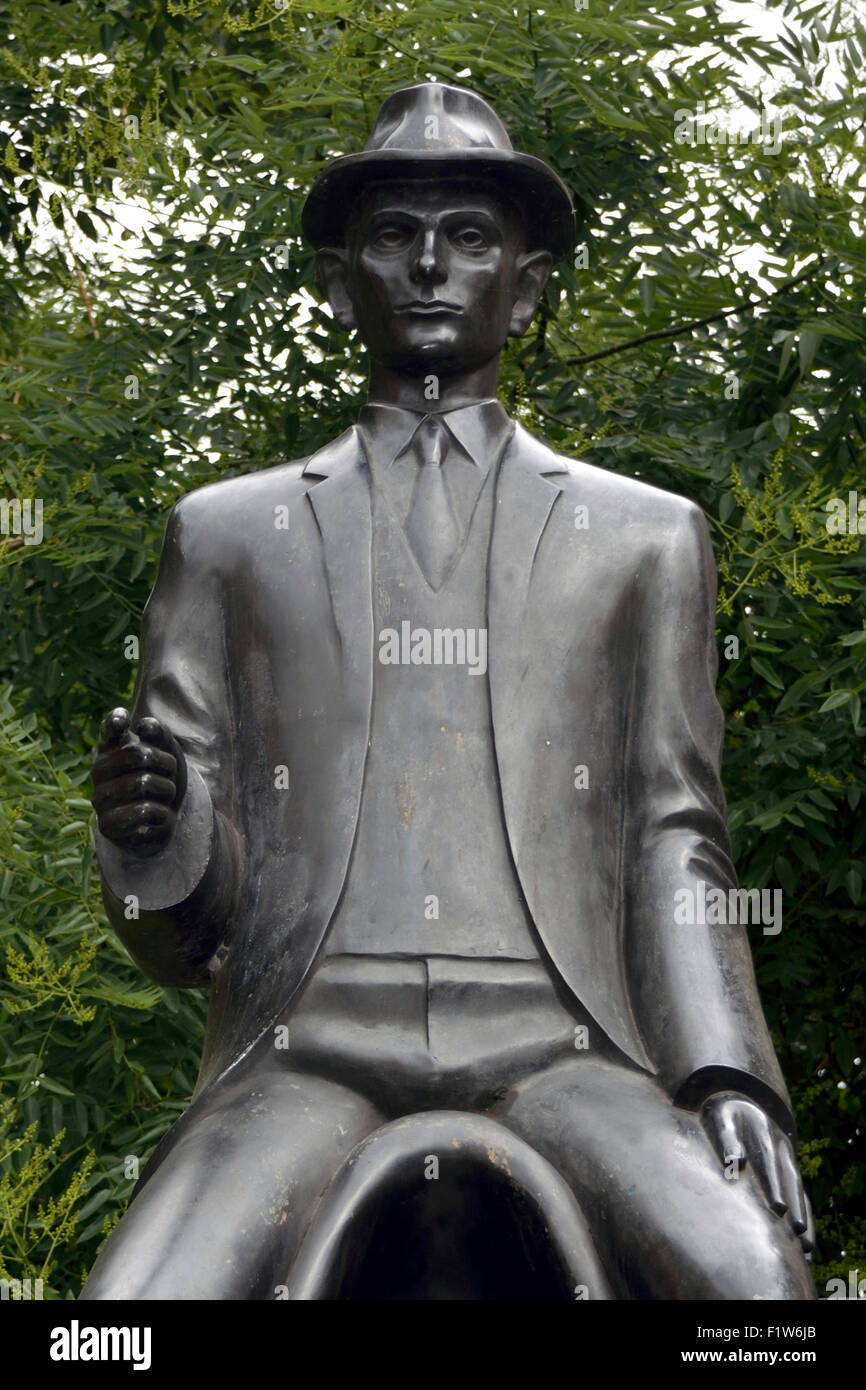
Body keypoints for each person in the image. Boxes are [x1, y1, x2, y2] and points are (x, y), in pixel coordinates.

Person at [83, 82, 815, 1300]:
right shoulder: (225, 537)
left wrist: (725, 1075)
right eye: (392, 235)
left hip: (560, 1047)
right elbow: (185, 926)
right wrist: (154, 829)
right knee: (128, 1322)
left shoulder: (643, 540)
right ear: (337, 282)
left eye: (470, 234)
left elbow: (671, 835)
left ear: (523, 286)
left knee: (757, 1299)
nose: (430, 263)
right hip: (305, 1050)